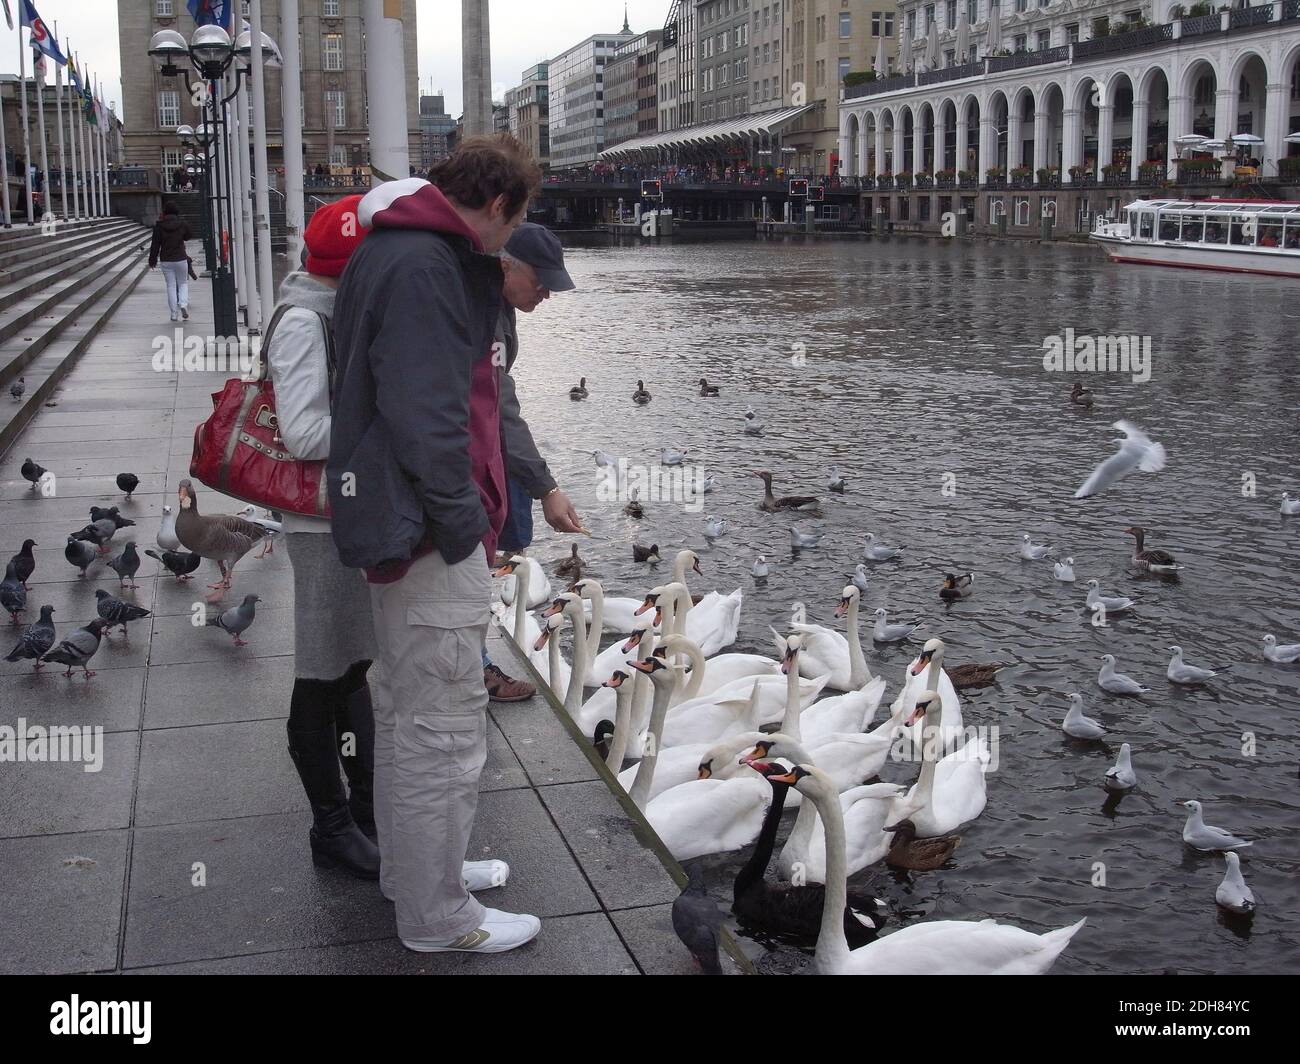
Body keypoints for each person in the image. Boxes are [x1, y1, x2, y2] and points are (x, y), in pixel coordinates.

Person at [328, 135, 570, 956]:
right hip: (428, 535)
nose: (509, 241)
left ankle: (417, 873)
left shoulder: (393, 252)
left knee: (405, 717)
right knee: (442, 728)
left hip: (401, 529)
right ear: (499, 204)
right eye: (516, 221)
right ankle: (439, 920)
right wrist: (465, 524)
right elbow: (429, 419)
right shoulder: (429, 269)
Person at [264, 194, 379, 880]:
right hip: (319, 522)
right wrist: (387, 424)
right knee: (321, 672)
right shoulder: (306, 322)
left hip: (343, 515)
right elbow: (303, 433)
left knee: (352, 664)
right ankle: (331, 826)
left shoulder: (328, 312)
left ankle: (363, 809)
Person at [481, 222, 581, 703]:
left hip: (478, 452)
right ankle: (474, 669)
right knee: (473, 562)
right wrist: (545, 487)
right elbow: (498, 405)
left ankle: (473, 663)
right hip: (466, 461)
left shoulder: (496, 306)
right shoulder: (483, 312)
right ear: (506, 265)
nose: (547, 294)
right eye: (540, 282)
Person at [148, 201, 193, 322]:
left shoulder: (159, 226)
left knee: (171, 286)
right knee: (183, 283)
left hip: (166, 260)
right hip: (181, 258)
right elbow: (189, 236)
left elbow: (155, 245)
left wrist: (152, 260)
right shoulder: (182, 224)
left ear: (165, 212)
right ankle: (183, 304)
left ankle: (174, 314)